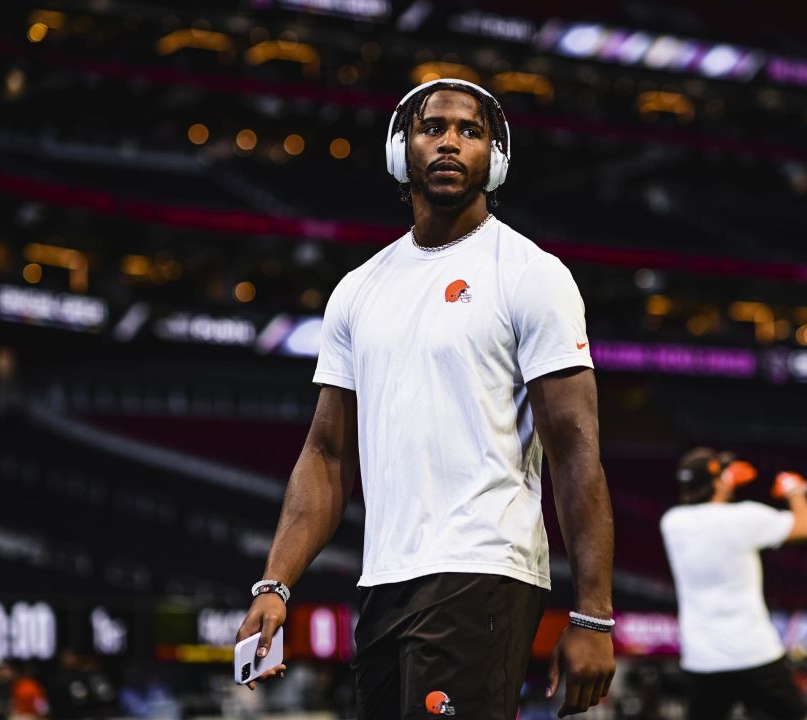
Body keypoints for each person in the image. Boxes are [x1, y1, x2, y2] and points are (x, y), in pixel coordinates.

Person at [236, 78, 616, 719]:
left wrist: (594, 615)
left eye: (471, 131)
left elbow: (576, 451)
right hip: (384, 580)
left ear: (494, 159)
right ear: (399, 150)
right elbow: (328, 453)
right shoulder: (358, 290)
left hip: (483, 568)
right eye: (432, 127)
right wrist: (275, 582)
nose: (450, 142)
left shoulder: (531, 274)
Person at [659, 447, 807, 720]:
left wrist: (722, 484)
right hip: (755, 654)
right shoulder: (746, 517)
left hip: (702, 660)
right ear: (718, 482)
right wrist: (795, 491)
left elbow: (706, 508)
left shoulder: (672, 523)